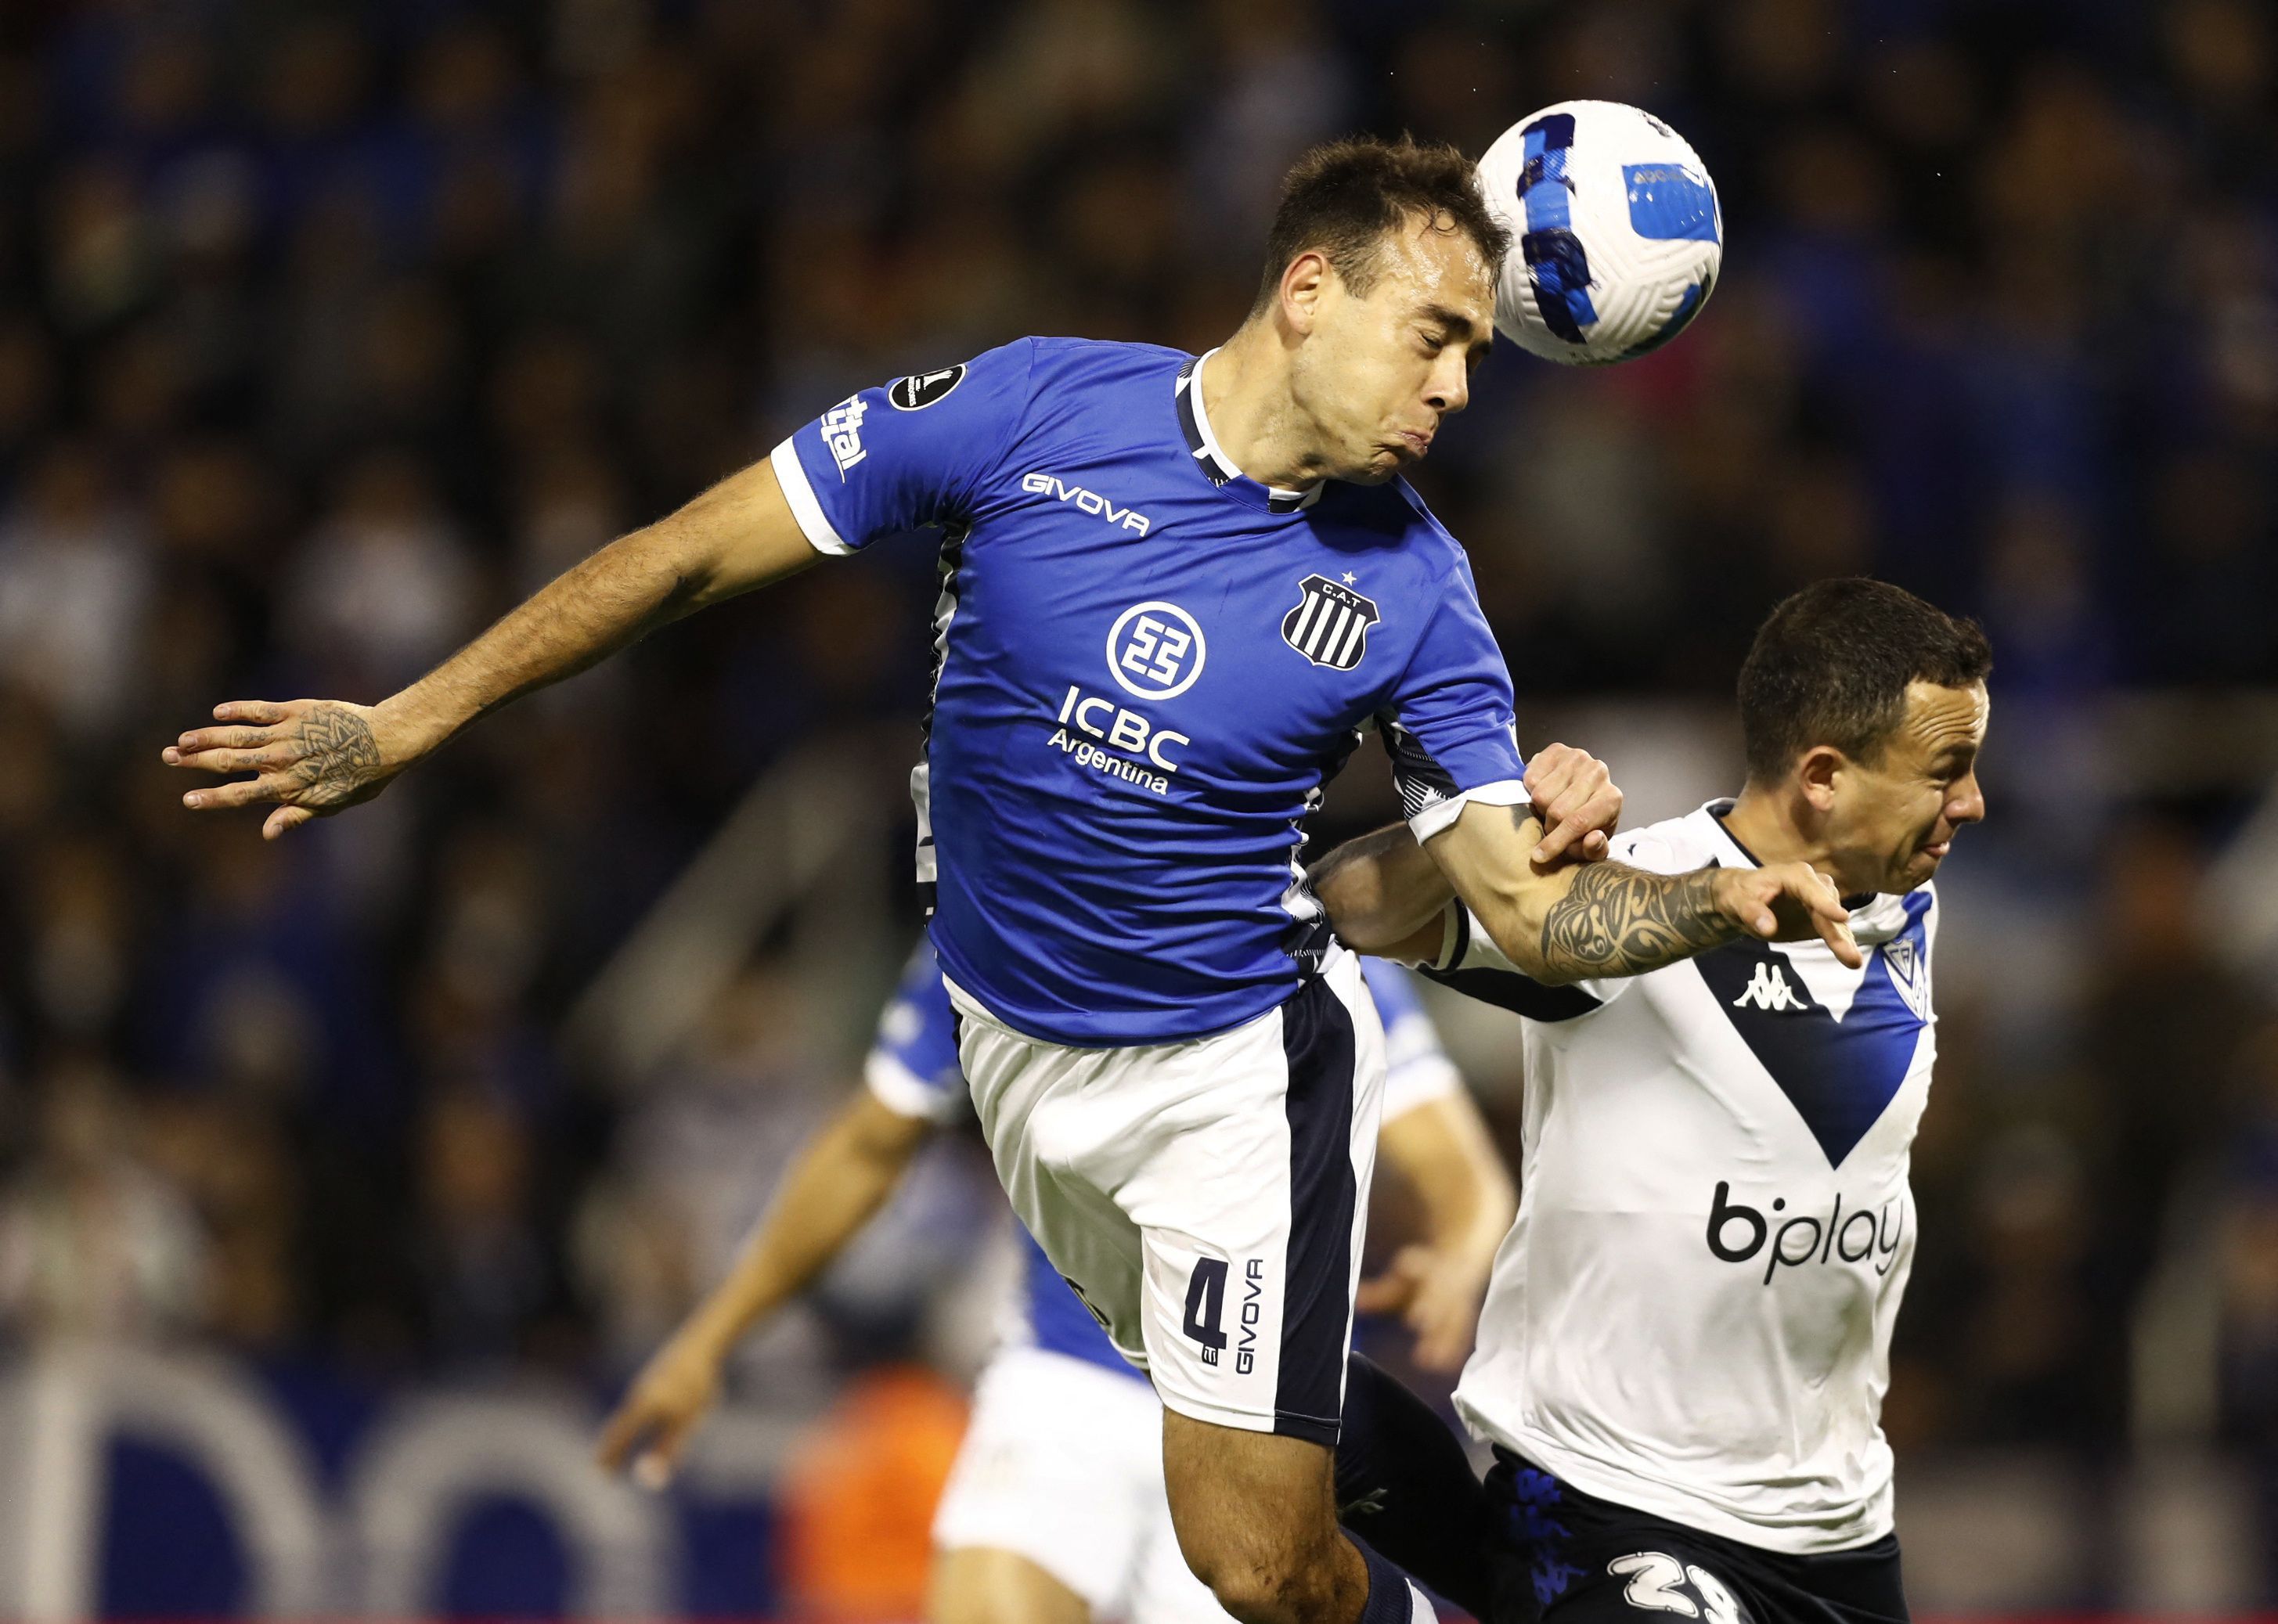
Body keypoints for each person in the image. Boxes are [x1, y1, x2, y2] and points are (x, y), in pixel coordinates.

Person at [166, 135, 1855, 1622]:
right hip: (1012, 1061)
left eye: (1481, 352)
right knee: (1272, 1473)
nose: (1461, 390)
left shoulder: (1417, 585)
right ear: (1309, 290)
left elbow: (1519, 903)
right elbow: (689, 552)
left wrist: (1712, 898)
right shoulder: (1033, 404)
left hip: (1229, 1080)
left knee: (1255, 1563)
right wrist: (406, 720)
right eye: (1437, 337)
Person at [1310, 579, 1992, 1624]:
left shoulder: (1904, 905)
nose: (1972, 801)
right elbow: (1345, 906)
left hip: (1840, 1530)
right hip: (1610, 1499)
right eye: (1944, 770)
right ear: (1821, 776)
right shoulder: (1625, 887)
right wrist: (1496, 836)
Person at [596, 941, 1513, 1624]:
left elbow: (1461, 1173)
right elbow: (871, 1143)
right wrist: (708, 1338)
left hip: (1254, 1416)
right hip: (1066, 1376)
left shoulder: (1315, 953)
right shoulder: (998, 922)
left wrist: (1465, 1247)